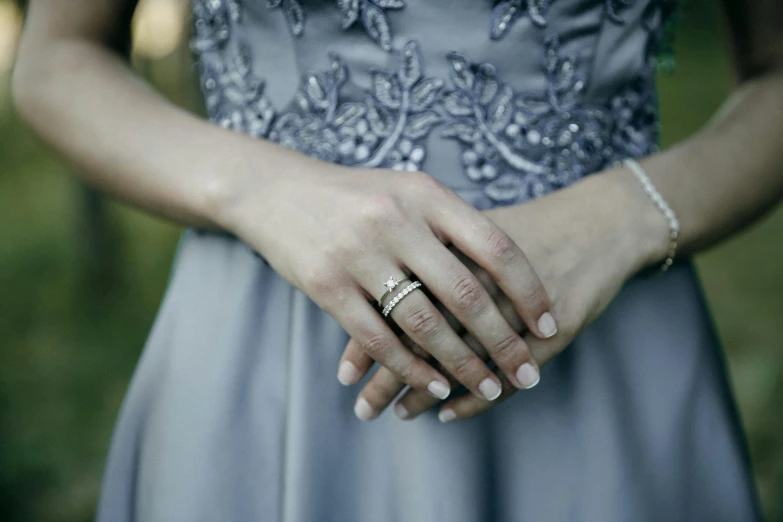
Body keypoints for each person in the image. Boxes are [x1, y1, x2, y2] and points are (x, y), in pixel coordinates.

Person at [11, 0, 782, 520]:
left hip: (605, 339)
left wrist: (622, 215)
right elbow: (56, 60)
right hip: (270, 354)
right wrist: (266, 189)